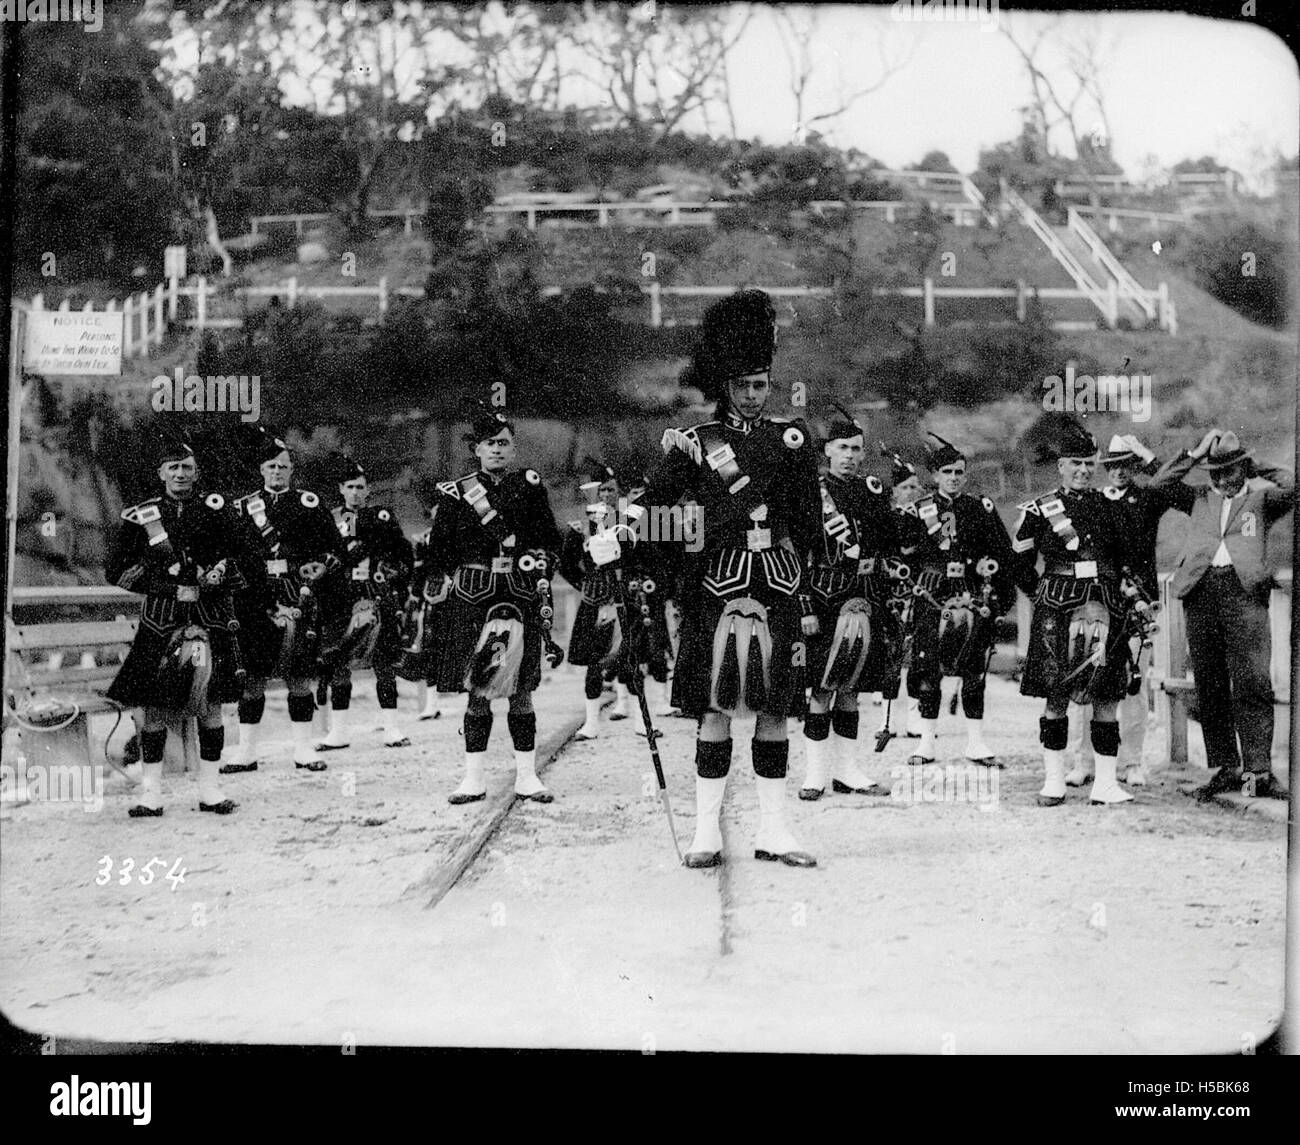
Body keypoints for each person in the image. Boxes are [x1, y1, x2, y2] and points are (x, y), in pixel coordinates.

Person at [640, 289, 822, 869]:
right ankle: (706, 833)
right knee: (714, 708)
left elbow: (806, 522)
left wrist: (815, 586)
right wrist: (620, 540)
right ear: (725, 386)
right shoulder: (694, 445)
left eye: (761, 384)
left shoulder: (791, 440)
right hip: (714, 587)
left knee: (774, 710)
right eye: (743, 385)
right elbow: (655, 511)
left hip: (777, 587)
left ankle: (774, 829)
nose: (752, 394)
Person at [427, 410, 564, 804]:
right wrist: (440, 582)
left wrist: (542, 561)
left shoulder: (529, 486)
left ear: (513, 448)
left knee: (521, 690)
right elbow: (440, 552)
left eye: (504, 443)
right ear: (477, 449)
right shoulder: (456, 493)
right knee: (478, 689)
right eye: (490, 443)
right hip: (474, 598)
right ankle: (473, 778)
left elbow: (548, 540)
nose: (497, 450)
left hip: (520, 594)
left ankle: (526, 776)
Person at [105, 435, 245, 817]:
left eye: (187, 467)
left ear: (196, 473)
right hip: (160, 622)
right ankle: (151, 794)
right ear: (162, 473)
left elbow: (244, 557)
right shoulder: (141, 516)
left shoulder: (218, 511)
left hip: (209, 620)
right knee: (152, 712)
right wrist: (164, 586)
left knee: (211, 705)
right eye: (174, 468)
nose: (180, 474)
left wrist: (220, 574)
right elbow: (116, 571)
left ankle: (211, 791)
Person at [1150, 429, 1293, 800]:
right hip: (1200, 592)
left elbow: (1295, 485)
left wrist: (1257, 465)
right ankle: (1227, 770)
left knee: (1253, 682)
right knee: (1211, 685)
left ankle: (1258, 773)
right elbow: (1160, 484)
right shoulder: (1198, 497)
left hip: (1243, 592)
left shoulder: (1264, 500)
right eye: (1214, 472)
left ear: (1244, 469)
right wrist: (1195, 453)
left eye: (1229, 471)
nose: (1221, 480)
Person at [1013, 417, 1141, 806]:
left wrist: (1130, 595)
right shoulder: (1039, 510)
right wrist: (1040, 593)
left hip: (1104, 602)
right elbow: (1018, 561)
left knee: (1107, 695)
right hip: (1056, 605)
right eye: (1075, 463)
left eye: (1089, 463)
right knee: (1056, 693)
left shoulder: (1111, 507)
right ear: (1061, 466)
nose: (1083, 470)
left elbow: (1126, 559)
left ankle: (1105, 784)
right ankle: (1053, 780)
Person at [900, 433, 1031, 767]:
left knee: (975, 671)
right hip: (932, 595)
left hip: (973, 594)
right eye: (947, 472)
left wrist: (1001, 602)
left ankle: (975, 743)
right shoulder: (919, 512)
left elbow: (1003, 554)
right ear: (935, 476)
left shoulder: (979, 508)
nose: (954, 478)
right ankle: (926, 744)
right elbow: (905, 558)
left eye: (959, 472)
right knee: (930, 670)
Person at [221, 428, 346, 774]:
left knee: (299, 675)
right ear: (261, 470)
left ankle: (303, 749)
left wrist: (318, 569)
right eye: (271, 466)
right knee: (253, 677)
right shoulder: (242, 508)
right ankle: (246, 752)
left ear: (292, 470)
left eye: (283, 466)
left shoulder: (309, 504)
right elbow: (229, 554)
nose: (277, 472)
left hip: (298, 595)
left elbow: (335, 551)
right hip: (255, 600)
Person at [797, 407, 898, 800]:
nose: (852, 455)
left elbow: (888, 543)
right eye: (844, 448)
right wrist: (805, 607)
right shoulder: (812, 493)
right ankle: (815, 774)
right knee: (822, 689)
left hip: (864, 598)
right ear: (827, 450)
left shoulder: (871, 490)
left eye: (857, 448)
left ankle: (848, 771)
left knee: (853, 688)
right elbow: (799, 556)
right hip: (823, 598)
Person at [1064, 433, 1175, 787]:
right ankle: (1082, 761)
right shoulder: (1093, 501)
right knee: (1086, 675)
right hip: (1099, 598)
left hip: (1138, 599)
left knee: (1133, 683)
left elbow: (1172, 486)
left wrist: (1146, 454)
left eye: (1126, 465)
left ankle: (1132, 761)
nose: (1118, 472)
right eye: (1111, 466)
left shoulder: (1147, 498)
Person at [559, 460, 668, 741]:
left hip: (627, 597)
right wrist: (582, 583)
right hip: (596, 600)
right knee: (595, 662)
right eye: (601, 491)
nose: (605, 496)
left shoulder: (631, 523)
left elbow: (650, 556)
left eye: (610, 490)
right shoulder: (581, 526)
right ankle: (591, 723)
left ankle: (642, 722)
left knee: (632, 659)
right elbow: (567, 563)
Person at [314, 455, 415, 751]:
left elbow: (403, 552)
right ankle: (339, 732)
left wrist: (395, 574)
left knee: (384, 661)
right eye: (350, 487)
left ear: (368, 490)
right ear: (341, 490)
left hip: (376, 590)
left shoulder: (381, 517)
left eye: (360, 487)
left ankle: (392, 728)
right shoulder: (330, 520)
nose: (356, 493)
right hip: (341, 594)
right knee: (338, 661)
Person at [398, 511, 456, 721]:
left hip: (461, 593)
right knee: (431, 647)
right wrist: (415, 594)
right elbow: (420, 571)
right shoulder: (425, 538)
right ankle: (431, 704)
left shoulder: (463, 534)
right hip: (433, 596)